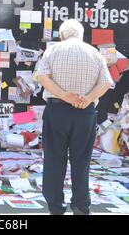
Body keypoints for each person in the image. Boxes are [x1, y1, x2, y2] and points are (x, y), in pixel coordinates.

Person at [37, 19, 114, 215]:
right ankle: (81, 206)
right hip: (85, 113)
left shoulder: (53, 50)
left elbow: (42, 77)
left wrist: (64, 95)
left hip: (57, 111)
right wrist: (87, 99)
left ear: (62, 35)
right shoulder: (94, 53)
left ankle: (55, 207)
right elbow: (106, 83)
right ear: (80, 35)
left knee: (54, 160)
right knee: (82, 161)